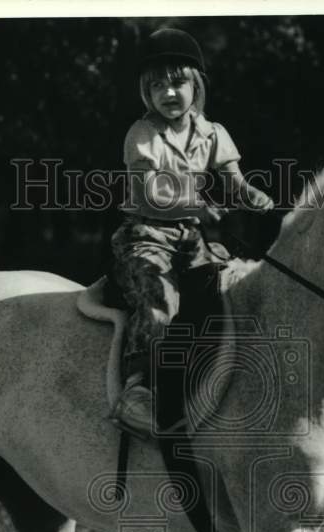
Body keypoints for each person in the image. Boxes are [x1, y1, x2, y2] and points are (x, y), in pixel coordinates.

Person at [109, 26, 274, 438]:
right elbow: (152, 191)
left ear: (196, 84)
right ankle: (137, 389)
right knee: (159, 301)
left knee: (232, 286)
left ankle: (232, 376)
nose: (169, 93)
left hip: (190, 237)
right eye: (157, 85)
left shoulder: (212, 132)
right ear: (145, 93)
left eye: (178, 82)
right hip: (147, 233)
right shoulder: (142, 134)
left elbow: (234, 180)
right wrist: (198, 205)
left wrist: (253, 196)